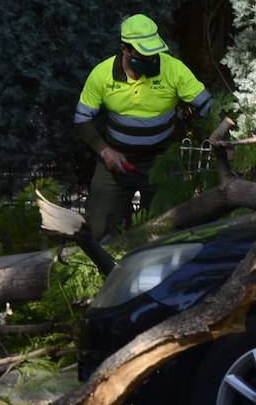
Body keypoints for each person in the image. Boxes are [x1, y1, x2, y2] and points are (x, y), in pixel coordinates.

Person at [73, 14, 212, 238]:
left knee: (172, 229)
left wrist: (226, 128)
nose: (150, 58)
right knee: (98, 230)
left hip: (161, 160)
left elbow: (208, 106)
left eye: (153, 52)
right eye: (143, 53)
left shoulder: (174, 70)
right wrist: (105, 151)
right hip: (116, 162)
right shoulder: (101, 75)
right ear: (125, 49)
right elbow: (81, 120)